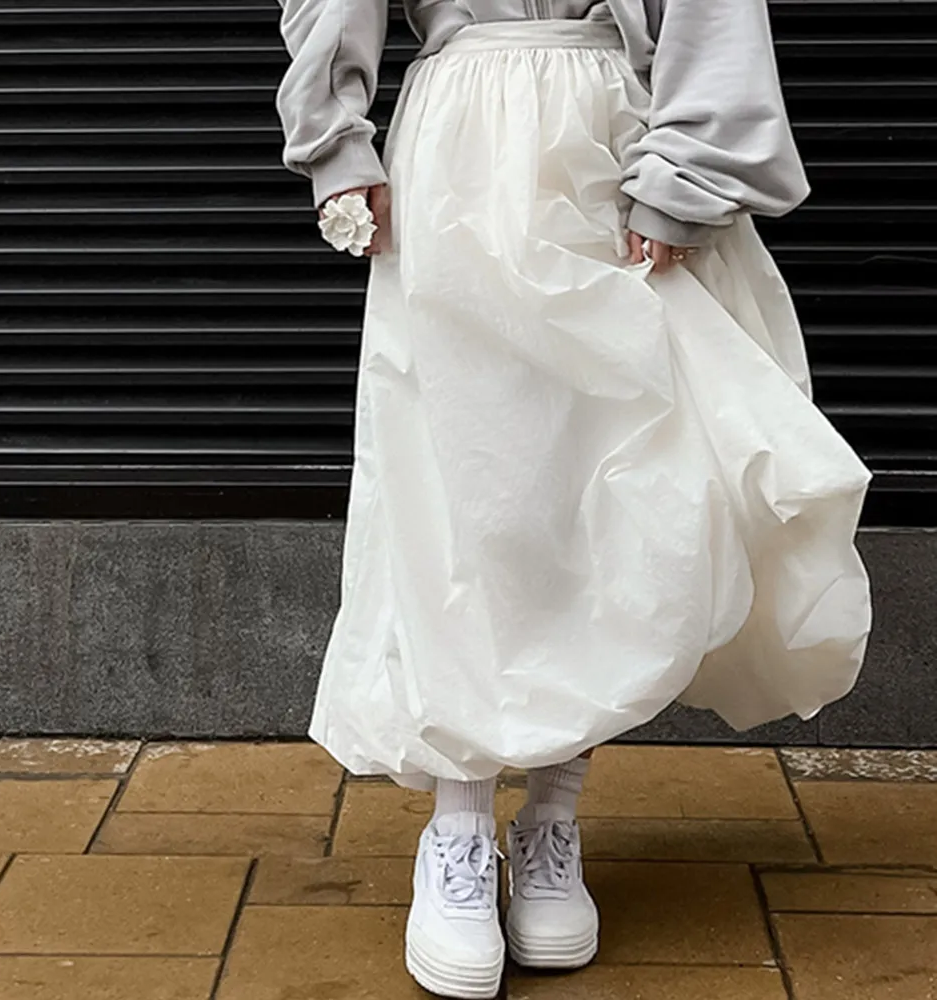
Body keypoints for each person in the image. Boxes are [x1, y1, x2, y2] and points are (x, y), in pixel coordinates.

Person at [274, 1, 873, 996]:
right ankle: (459, 829)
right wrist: (336, 141)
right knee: (465, 495)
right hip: (463, 153)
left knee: (612, 503)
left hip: (612, 145)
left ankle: (553, 817)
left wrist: (683, 177)